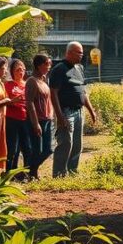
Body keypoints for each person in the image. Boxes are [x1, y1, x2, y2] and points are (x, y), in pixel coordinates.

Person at [50, 41, 99, 177]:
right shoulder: (59, 69)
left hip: (79, 111)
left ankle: (72, 172)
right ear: (69, 52)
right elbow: (53, 93)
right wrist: (60, 116)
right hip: (66, 112)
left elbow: (83, 92)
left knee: (77, 145)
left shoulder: (79, 68)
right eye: (78, 52)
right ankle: (59, 174)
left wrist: (91, 111)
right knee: (65, 143)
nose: (81, 55)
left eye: (82, 52)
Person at [26, 54, 55, 179]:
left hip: (47, 119)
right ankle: (32, 172)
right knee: (37, 150)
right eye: (46, 64)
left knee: (48, 149)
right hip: (38, 119)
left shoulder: (43, 80)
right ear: (39, 66)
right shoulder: (32, 81)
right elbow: (29, 102)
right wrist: (35, 123)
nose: (49, 67)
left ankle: (31, 170)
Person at [4, 58, 32, 175]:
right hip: (12, 119)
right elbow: (3, 101)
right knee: (13, 149)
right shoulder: (8, 85)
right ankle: (10, 173)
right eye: (18, 70)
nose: (21, 72)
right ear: (12, 71)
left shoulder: (27, 85)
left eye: (23, 70)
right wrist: (12, 101)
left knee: (27, 148)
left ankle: (26, 172)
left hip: (26, 119)